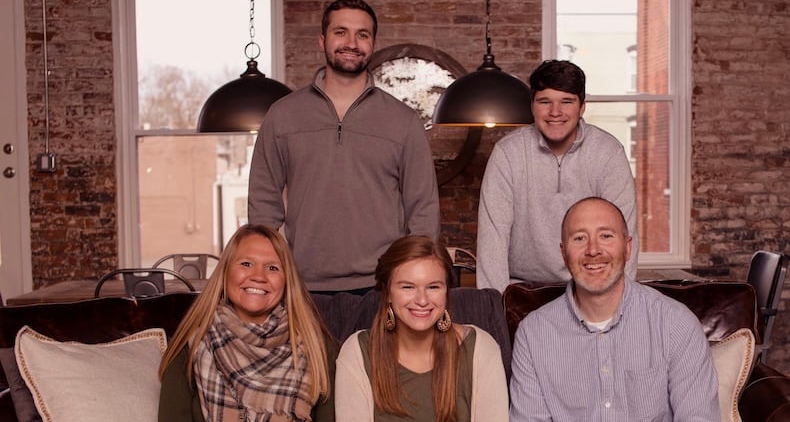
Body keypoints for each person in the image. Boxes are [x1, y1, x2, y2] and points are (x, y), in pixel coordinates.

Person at [247, 0, 440, 294]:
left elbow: (423, 210)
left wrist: (414, 278)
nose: (352, 42)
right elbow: (263, 201)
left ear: (372, 44)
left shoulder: (403, 121)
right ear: (322, 41)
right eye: (341, 32)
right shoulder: (283, 115)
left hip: (383, 285)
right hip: (302, 285)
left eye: (362, 34)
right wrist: (273, 266)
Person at [509, 197, 719, 421]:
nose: (593, 250)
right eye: (579, 238)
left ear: (627, 248)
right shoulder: (533, 334)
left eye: (606, 236)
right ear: (563, 253)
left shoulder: (676, 324)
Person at [476, 59, 639, 292]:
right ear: (532, 105)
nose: (555, 112)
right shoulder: (508, 153)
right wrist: (495, 306)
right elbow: (493, 240)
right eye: (545, 101)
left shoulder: (608, 153)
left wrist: (621, 302)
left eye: (566, 102)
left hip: (588, 287)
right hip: (522, 290)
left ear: (582, 107)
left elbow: (624, 235)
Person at [158, 224, 337, 421]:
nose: (258, 276)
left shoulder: (319, 348)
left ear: (287, 281)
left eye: (272, 268)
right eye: (246, 264)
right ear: (225, 273)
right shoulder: (188, 347)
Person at [335, 235, 508, 421]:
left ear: (446, 292)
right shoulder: (357, 352)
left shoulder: (481, 350)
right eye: (408, 287)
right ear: (387, 293)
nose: (422, 300)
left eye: (433, 287)